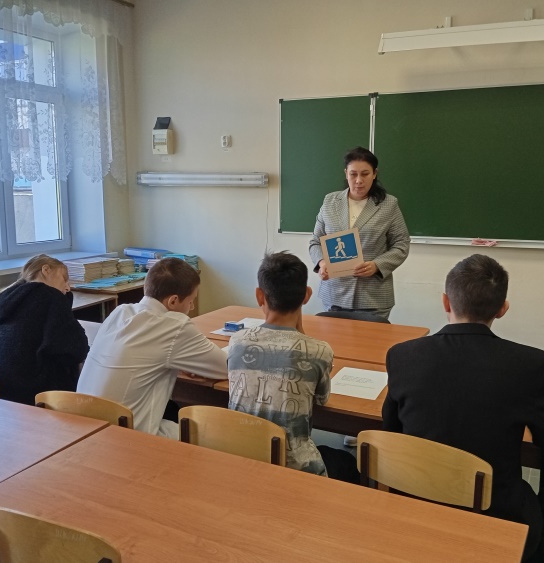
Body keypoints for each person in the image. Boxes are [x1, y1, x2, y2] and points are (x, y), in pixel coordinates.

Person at [382, 254, 544, 559]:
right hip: (493, 513)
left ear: (445, 302)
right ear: (503, 309)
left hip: (416, 502)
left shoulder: (402, 355)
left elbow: (390, 429)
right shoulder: (530, 365)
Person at [228, 251, 360, 483]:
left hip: (241, 458)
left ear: (259, 296)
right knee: (348, 462)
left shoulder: (237, 341)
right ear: (307, 295)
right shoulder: (319, 351)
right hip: (295, 469)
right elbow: (321, 399)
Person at [77, 257, 226, 438]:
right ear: (173, 301)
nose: (192, 306)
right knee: (211, 436)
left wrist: (185, 362)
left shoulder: (120, 312)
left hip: (88, 429)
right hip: (128, 438)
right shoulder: (174, 325)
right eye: (191, 301)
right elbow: (226, 367)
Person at [308, 146, 410, 321]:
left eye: (365, 174)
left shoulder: (388, 204)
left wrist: (377, 265)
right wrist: (322, 262)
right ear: (346, 173)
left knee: (372, 339)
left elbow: (401, 244)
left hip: (373, 296)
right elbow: (315, 241)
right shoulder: (330, 201)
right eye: (353, 174)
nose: (358, 180)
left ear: (374, 174)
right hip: (335, 293)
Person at [0, 254, 89, 405]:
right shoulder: (50, 297)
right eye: (64, 279)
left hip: (0, 390)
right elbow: (78, 349)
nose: (67, 287)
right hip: (31, 393)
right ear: (46, 270)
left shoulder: (8, 298)